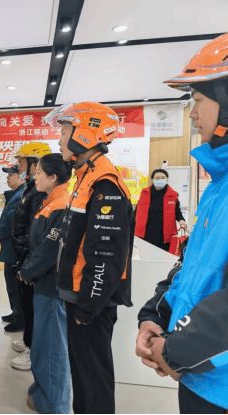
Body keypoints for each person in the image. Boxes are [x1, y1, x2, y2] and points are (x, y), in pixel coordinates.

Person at [136, 33, 228, 413]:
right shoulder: (218, 186)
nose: (192, 113)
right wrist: (155, 313)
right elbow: (192, 268)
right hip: (197, 377)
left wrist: (175, 350)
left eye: (199, 100)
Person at [50, 102, 134, 414]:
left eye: (64, 131)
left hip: (90, 301)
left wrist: (87, 306)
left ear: (84, 134)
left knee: (93, 378)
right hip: (80, 296)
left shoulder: (104, 181)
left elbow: (106, 254)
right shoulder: (86, 176)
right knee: (83, 375)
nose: (60, 139)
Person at [19, 154, 72, 414]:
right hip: (45, 285)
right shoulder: (49, 202)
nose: (34, 175)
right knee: (43, 344)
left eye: (39, 172)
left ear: (53, 177)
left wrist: (27, 270)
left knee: (52, 348)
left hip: (52, 287)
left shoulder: (60, 204)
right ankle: (43, 392)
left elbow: (49, 249)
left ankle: (55, 405)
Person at [10, 142, 52, 371]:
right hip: (24, 255)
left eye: (22, 161)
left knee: (33, 306)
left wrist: (27, 260)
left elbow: (34, 231)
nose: (19, 164)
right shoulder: (31, 187)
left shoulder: (40, 192)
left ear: (35, 163)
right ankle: (28, 339)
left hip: (30, 258)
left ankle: (32, 349)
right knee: (27, 304)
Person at [0, 163, 26, 333]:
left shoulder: (20, 196)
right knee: (11, 284)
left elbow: (10, 222)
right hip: (10, 249)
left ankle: (20, 318)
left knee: (15, 286)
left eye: (11, 174)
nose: (8, 177)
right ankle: (16, 312)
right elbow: (3, 217)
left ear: (21, 177)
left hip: (14, 250)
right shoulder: (15, 195)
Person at [134, 168, 188, 251]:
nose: (160, 180)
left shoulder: (173, 195)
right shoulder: (145, 193)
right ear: (152, 179)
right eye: (157, 178)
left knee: (163, 256)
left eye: (163, 178)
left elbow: (177, 212)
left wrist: (181, 220)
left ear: (167, 179)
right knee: (146, 256)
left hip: (165, 234)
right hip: (146, 233)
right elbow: (137, 210)